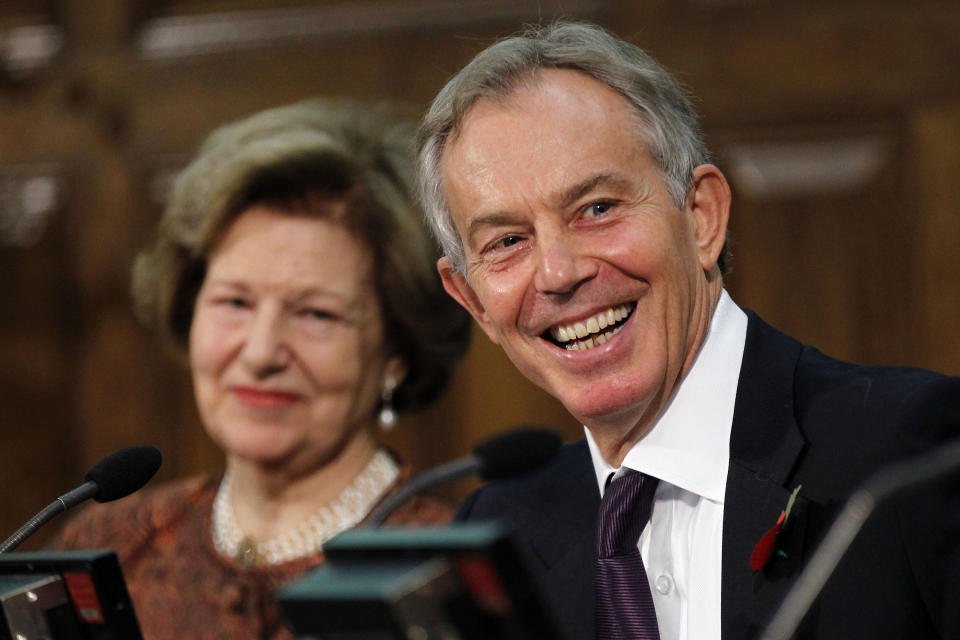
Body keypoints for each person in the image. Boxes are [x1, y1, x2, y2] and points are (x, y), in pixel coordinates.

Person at [417, 21, 960, 640]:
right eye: (508, 242)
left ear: (701, 216)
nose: (558, 273)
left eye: (597, 209)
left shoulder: (911, 452)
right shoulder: (505, 526)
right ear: (473, 302)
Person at [55, 99, 471, 639]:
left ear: (397, 350)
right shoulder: (108, 548)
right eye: (234, 303)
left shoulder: (447, 573)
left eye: (315, 313)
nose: (260, 353)